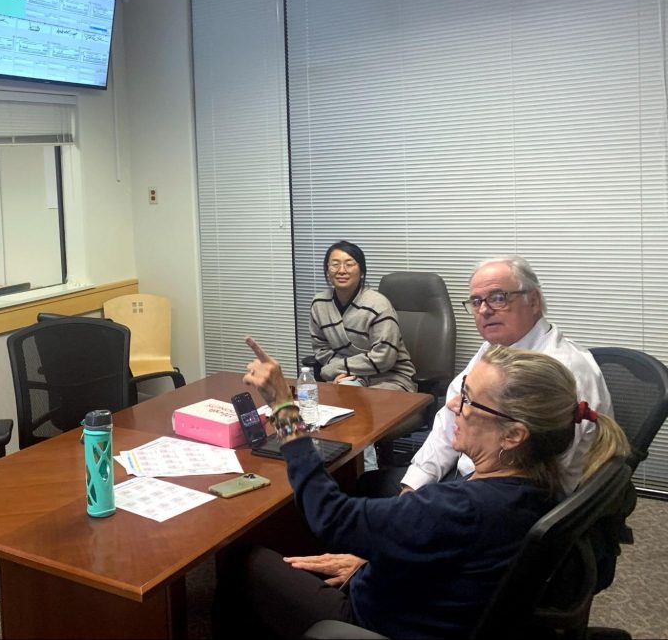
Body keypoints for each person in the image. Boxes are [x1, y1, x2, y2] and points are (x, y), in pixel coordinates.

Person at [216, 336, 628, 640]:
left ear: (513, 435)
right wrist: (371, 561)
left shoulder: (456, 506)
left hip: (377, 620)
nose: (453, 406)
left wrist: (285, 409)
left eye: (468, 399)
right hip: (429, 601)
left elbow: (332, 516)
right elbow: (444, 551)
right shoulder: (541, 483)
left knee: (240, 557)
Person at [303, 255, 614, 593]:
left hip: (503, 517)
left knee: (354, 528)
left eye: (498, 297)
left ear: (534, 300)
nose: (484, 310)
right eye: (477, 301)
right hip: (470, 489)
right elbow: (447, 423)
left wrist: (383, 555)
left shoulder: (563, 373)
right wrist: (412, 489)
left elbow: (545, 487)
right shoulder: (495, 349)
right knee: (370, 486)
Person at [309, 240, 416, 391]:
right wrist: (346, 371)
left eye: (349, 264)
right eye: (335, 264)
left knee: (362, 407)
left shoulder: (378, 305)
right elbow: (321, 348)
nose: (341, 270)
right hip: (348, 376)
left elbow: (384, 357)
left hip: (390, 378)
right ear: (327, 270)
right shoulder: (319, 304)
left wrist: (339, 369)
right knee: (328, 403)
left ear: (362, 271)